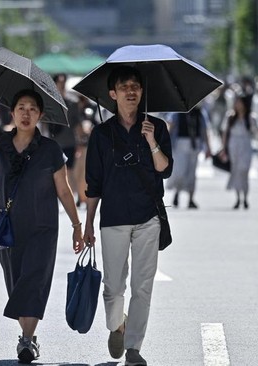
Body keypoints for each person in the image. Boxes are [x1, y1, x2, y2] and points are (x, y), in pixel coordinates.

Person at [0, 89, 84, 364]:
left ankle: (26, 341)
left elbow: (64, 191)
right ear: (12, 112)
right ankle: (29, 337)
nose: (26, 113)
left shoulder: (50, 149)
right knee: (17, 284)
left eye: (32, 108)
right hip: (8, 229)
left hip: (43, 228)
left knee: (34, 281)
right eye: (21, 107)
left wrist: (76, 225)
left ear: (40, 115)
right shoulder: (0, 147)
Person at [83, 65, 172, 366]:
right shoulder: (101, 134)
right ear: (113, 94)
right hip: (113, 218)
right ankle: (116, 325)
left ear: (142, 92)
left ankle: (134, 347)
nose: (131, 91)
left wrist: (152, 142)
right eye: (124, 87)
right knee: (113, 288)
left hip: (149, 218)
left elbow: (165, 169)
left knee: (142, 286)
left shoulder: (156, 127)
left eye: (135, 86)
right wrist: (87, 225)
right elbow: (93, 184)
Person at [220, 95, 258, 209]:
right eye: (237, 102)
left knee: (244, 170)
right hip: (234, 145)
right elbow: (225, 132)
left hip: (245, 145)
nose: (238, 105)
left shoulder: (251, 117)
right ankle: (238, 198)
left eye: (240, 102)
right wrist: (223, 148)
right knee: (235, 170)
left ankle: (245, 197)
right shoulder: (230, 116)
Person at [166, 105, 212, 209]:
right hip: (180, 144)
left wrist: (208, 148)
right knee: (180, 171)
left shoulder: (199, 113)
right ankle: (177, 194)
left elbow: (204, 131)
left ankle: (191, 199)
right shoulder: (177, 113)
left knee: (192, 173)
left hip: (195, 144)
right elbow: (170, 126)